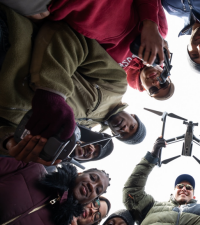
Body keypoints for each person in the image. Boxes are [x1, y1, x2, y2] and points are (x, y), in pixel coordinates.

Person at [0, 5, 146, 163]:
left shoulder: (81, 129)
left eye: (123, 135)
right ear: (133, 116)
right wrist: (52, 93)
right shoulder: (117, 85)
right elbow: (72, 36)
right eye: (131, 127)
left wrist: (9, 142)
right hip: (10, 45)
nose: (124, 129)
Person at [0, 140, 110, 225]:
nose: (92, 185)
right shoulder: (32, 168)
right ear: (80, 173)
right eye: (92, 178)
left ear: (90, 199)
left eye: (98, 190)